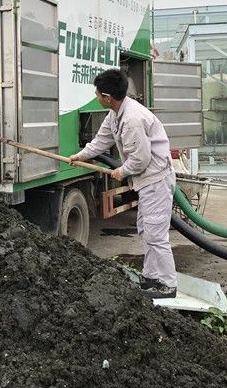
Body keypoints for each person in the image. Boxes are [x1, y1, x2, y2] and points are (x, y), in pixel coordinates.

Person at [69, 68, 178, 299]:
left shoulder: (132, 119)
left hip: (156, 180)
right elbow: (102, 140)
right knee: (147, 230)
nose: (96, 97)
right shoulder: (116, 113)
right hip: (147, 181)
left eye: (97, 94)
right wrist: (81, 156)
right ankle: (151, 277)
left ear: (108, 97)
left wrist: (122, 171)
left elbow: (141, 159)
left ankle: (168, 284)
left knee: (156, 234)